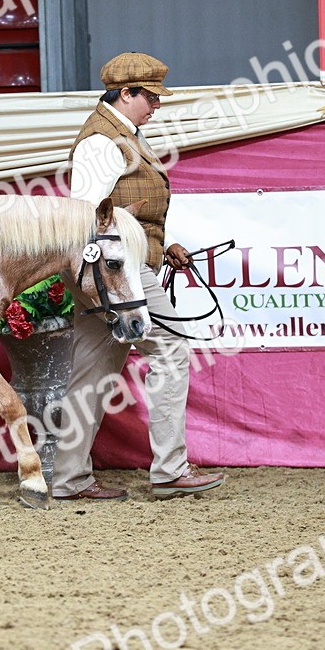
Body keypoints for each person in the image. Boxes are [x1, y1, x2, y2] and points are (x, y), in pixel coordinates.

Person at [51, 52, 225, 501]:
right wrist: (131, 257)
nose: (156, 104)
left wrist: (164, 246)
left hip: (120, 266)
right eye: (149, 96)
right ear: (125, 94)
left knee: (91, 372)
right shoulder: (100, 142)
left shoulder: (125, 135)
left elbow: (124, 213)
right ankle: (169, 470)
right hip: (117, 271)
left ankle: (70, 479)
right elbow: (90, 218)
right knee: (170, 348)